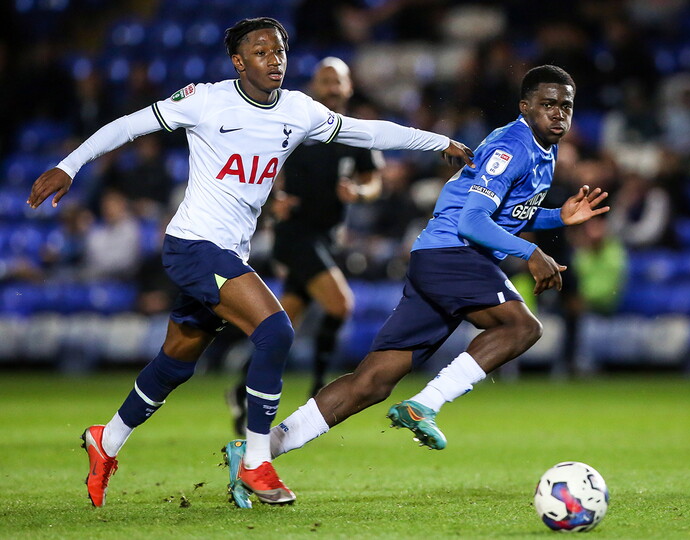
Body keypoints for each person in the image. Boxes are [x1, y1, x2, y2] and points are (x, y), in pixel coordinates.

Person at [25, 17, 474, 508]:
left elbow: (366, 133)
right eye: (260, 52)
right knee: (276, 331)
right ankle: (257, 460)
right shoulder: (206, 99)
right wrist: (68, 164)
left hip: (227, 252)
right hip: (193, 246)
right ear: (238, 62)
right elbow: (128, 125)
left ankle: (105, 441)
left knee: (176, 361)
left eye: (279, 51)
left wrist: (438, 142)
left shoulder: (300, 110)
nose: (274, 60)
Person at [222, 65, 610, 508]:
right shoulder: (513, 146)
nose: (558, 114)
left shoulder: (544, 150)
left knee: (372, 381)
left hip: (440, 260)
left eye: (566, 106)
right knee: (522, 328)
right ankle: (426, 403)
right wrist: (532, 254)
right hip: (452, 255)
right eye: (548, 104)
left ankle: (256, 451)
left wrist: (560, 217)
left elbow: (504, 213)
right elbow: (472, 221)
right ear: (526, 107)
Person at [225, 56, 384, 435]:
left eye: (337, 81)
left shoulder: (354, 132)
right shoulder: (297, 123)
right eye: (324, 80)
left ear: (348, 88)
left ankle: (239, 390)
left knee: (284, 325)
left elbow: (374, 179)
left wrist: (360, 192)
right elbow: (259, 162)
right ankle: (319, 393)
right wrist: (272, 196)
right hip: (295, 235)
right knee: (340, 304)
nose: (331, 87)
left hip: (327, 240)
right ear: (315, 85)